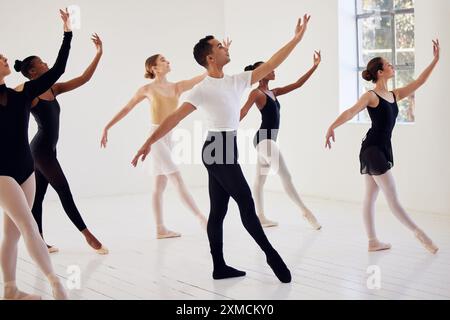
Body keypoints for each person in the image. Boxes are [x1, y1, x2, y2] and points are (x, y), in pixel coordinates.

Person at [132, 15, 312, 283]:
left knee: (218, 211)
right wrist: (148, 142)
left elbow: (273, 62)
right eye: (218, 46)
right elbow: (174, 118)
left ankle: (219, 266)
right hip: (215, 149)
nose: (224, 48)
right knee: (246, 203)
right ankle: (271, 255)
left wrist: (296, 39)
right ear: (210, 58)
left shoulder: (237, 81)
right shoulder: (200, 89)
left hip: (228, 148)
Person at [325, 40, 440, 254]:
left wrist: (435, 60)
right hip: (372, 149)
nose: (392, 66)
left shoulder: (394, 95)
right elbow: (351, 112)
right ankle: (420, 234)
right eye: (388, 64)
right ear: (380, 72)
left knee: (370, 196)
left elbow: (420, 82)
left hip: (381, 149)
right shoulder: (371, 96)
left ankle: (372, 241)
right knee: (392, 195)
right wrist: (332, 126)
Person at [0, 9, 72, 300]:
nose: (5, 59)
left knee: (14, 233)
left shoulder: (24, 93)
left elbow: (57, 71)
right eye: (0, 58)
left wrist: (67, 33)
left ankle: (10, 290)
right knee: (29, 225)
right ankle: (56, 282)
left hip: (25, 168)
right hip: (1, 172)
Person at [17, 34, 107, 254]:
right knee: (63, 190)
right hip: (40, 152)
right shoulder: (30, 91)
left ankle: (38, 242)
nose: (46, 64)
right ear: (33, 72)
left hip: (48, 150)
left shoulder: (53, 89)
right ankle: (87, 235)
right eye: (42, 63)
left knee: (38, 198)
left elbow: (84, 78)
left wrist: (98, 54)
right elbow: (12, 98)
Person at [101, 53, 209, 239]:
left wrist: (213, 60)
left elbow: (203, 77)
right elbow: (127, 108)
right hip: (155, 137)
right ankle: (202, 219)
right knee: (176, 178)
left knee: (159, 184)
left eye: (167, 59)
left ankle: (160, 228)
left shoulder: (177, 87)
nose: (168, 62)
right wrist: (107, 127)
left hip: (171, 136)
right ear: (154, 68)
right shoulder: (146, 89)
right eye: (163, 60)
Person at [240, 51, 322, 229]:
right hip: (264, 140)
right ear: (261, 72)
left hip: (267, 140)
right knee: (285, 175)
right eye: (269, 68)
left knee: (259, 180)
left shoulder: (273, 92)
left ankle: (260, 216)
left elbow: (298, 84)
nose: (273, 70)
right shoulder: (256, 93)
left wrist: (314, 66)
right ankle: (305, 211)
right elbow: (244, 111)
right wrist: (226, 127)